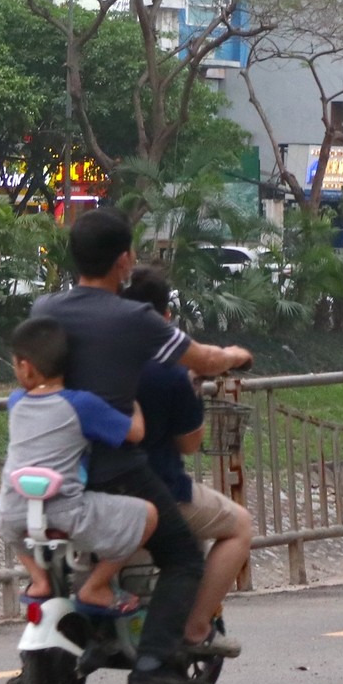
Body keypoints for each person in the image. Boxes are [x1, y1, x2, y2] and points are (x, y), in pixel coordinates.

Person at [31, 207, 252, 684]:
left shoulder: (45, 309)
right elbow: (207, 361)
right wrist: (236, 355)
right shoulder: (136, 320)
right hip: (120, 470)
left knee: (45, 552)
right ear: (124, 260)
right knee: (182, 555)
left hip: (58, 468)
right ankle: (154, 664)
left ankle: (40, 657)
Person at [121, 265, 253, 656]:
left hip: (89, 483)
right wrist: (193, 390)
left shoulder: (97, 361)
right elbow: (190, 444)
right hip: (158, 486)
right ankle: (195, 630)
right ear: (164, 319)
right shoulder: (170, 374)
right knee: (240, 525)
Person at [0, 316, 155, 615]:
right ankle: (96, 586)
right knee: (148, 515)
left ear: (26, 367)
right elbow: (136, 433)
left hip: (12, 511)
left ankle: (39, 580)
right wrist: (133, 401)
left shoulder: (16, 401)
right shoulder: (82, 405)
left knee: (10, 527)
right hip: (67, 513)